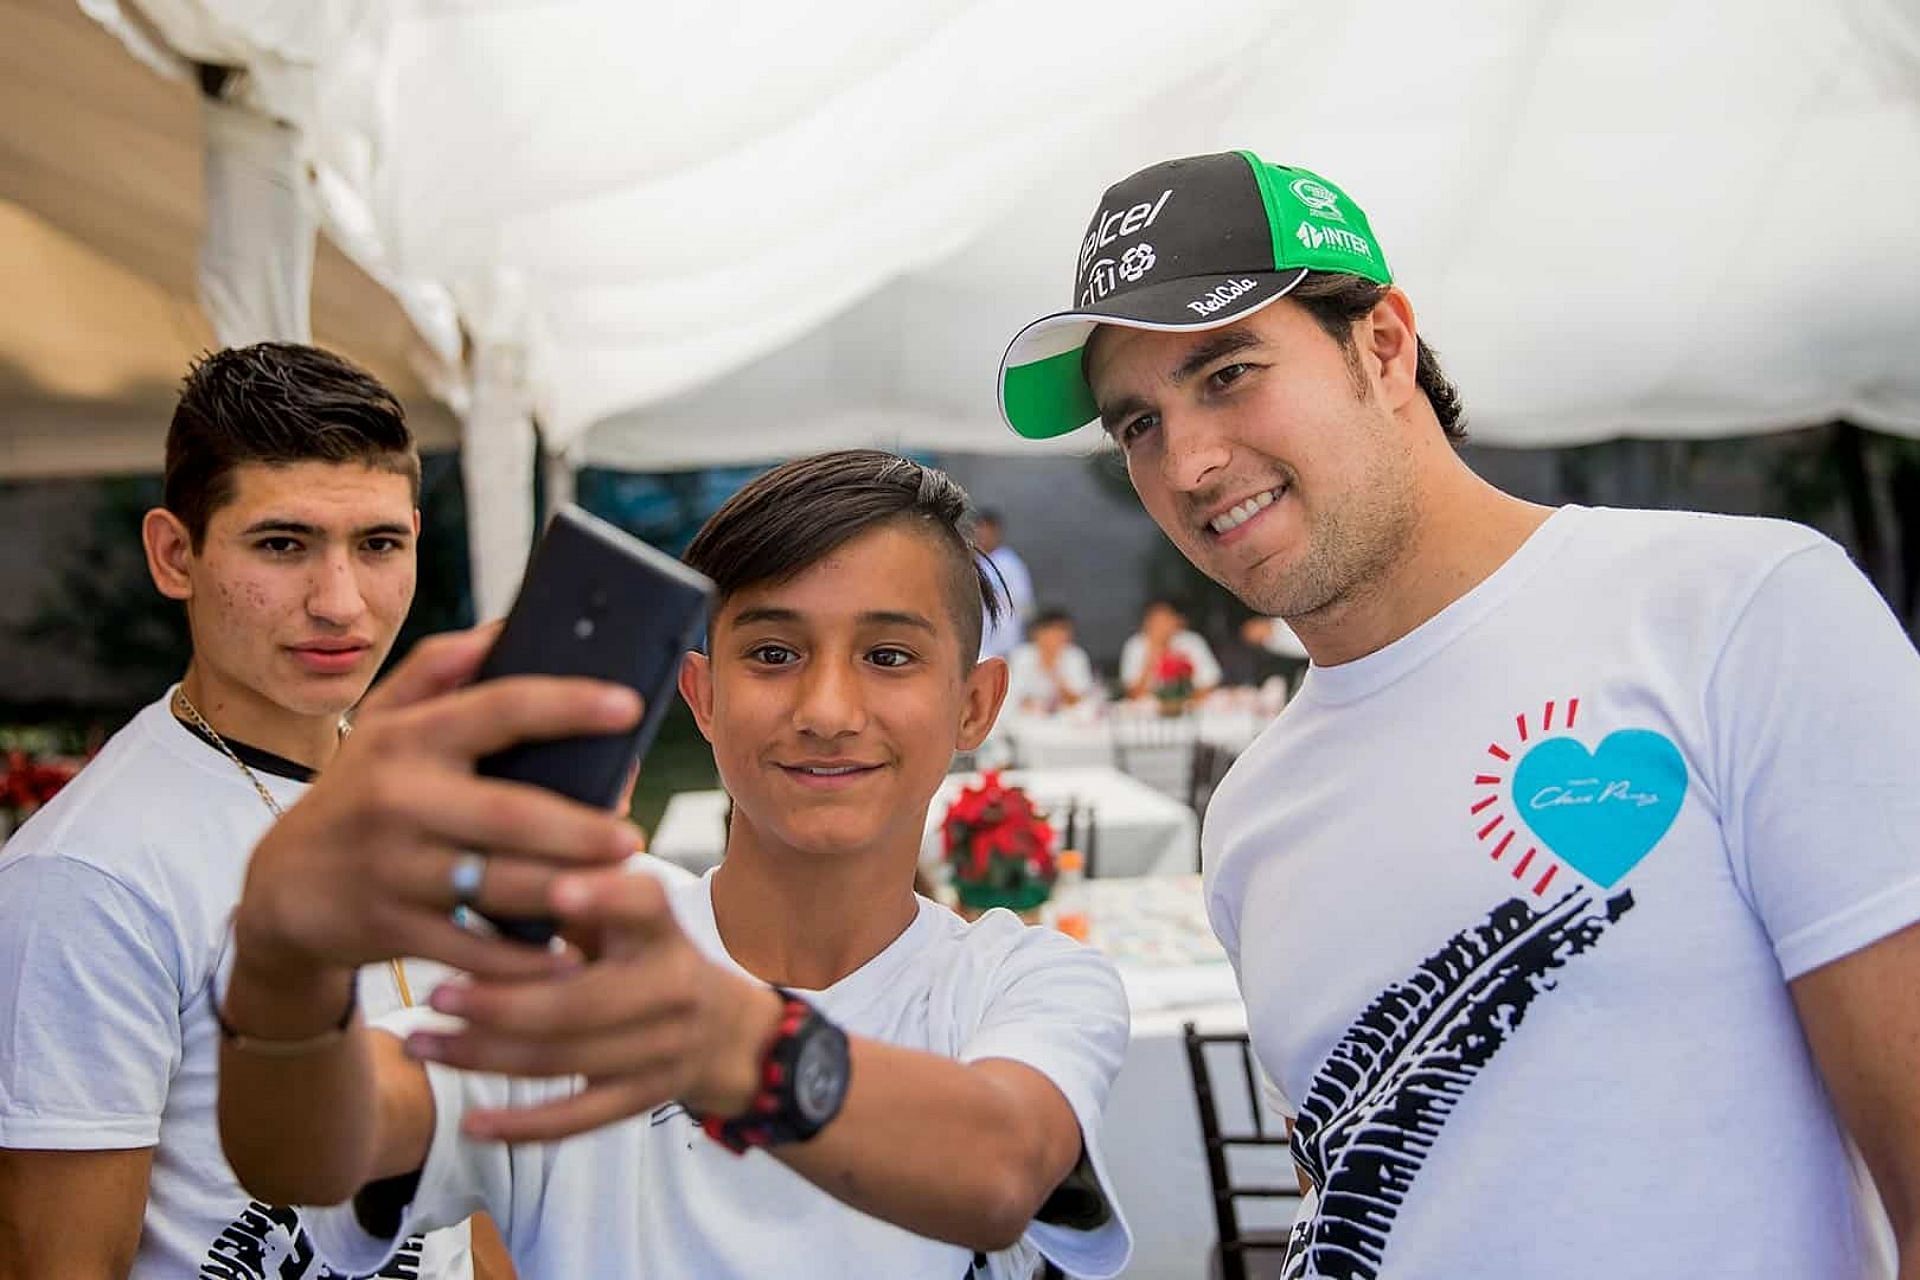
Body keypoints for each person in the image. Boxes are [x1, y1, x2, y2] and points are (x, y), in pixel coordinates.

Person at [997, 149, 1920, 1277]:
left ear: (1383, 346)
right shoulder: (1250, 813)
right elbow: (1373, 1187)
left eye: (1229, 370)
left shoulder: (1738, 612)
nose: (1187, 460)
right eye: (1136, 423)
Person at [214, 450, 1134, 1279]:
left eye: (888, 656)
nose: (826, 708)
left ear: (975, 704)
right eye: (772, 653)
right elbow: (308, 1153)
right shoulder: (581, 963)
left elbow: (1004, 1165)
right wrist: (283, 965)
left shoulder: (1023, 982)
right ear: (700, 693)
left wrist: (732, 1042)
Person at [0, 344, 493, 1279]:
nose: (340, 602)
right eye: (282, 545)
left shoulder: (426, 801)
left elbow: (482, 1191)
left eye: (378, 545)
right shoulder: (87, 875)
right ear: (175, 554)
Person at [1118, 598, 1221, 702]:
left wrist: (1186, 701)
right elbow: (1132, 693)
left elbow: (1210, 681)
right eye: (1155, 621)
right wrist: (1151, 659)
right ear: (1145, 623)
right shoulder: (1135, 646)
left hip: (1191, 706)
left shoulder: (1191, 641)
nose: (1161, 626)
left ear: (1177, 620)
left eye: (1165, 619)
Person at [1006, 607, 1097, 715]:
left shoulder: (1075, 656)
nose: (1056, 637)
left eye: (1062, 631)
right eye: (1051, 631)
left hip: (1066, 718)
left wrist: (1054, 673)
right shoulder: (1022, 656)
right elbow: (1013, 695)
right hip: (1027, 717)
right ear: (1037, 633)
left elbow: (1080, 698)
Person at [973, 509, 1035, 660]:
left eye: (987, 532)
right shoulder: (973, 562)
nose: (983, 537)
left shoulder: (1010, 563)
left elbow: (1025, 604)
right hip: (980, 637)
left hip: (1006, 639)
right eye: (979, 532)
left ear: (996, 533)